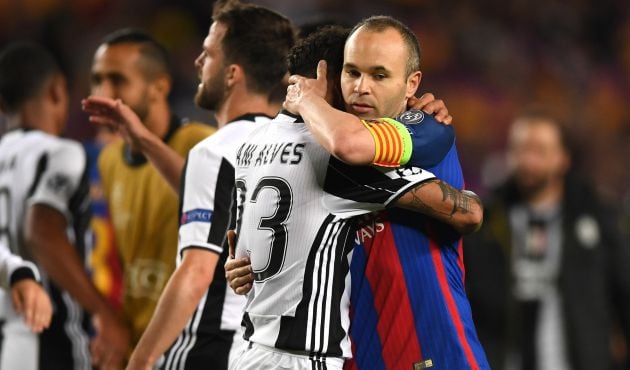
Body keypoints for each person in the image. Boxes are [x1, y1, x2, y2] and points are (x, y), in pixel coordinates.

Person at [228, 16, 490, 369]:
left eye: (379, 76)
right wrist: (250, 266)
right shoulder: (318, 152)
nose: (361, 87)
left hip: (430, 350)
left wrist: (305, 100)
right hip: (348, 353)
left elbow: (469, 213)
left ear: (411, 84)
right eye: (351, 73)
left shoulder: (426, 128)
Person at [82, 3, 297, 369]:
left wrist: (143, 358)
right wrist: (145, 140)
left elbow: (197, 271)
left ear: (231, 74)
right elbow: (221, 203)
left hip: (208, 345)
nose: (198, 61)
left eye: (209, 53)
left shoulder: (214, 150)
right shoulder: (296, 149)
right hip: (268, 349)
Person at [464, 109, 630, 370]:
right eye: (520, 150)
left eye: (540, 151)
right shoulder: (485, 222)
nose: (528, 161)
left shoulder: (599, 220)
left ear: (562, 158)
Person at [0, 41, 129, 370]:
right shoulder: (62, 153)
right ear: (58, 90)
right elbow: (42, 229)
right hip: (44, 337)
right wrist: (102, 312)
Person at [88, 29, 215, 347]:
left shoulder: (203, 144)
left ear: (159, 86)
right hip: (135, 344)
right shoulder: (109, 159)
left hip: (190, 344)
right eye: (97, 80)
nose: (104, 93)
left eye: (117, 80)